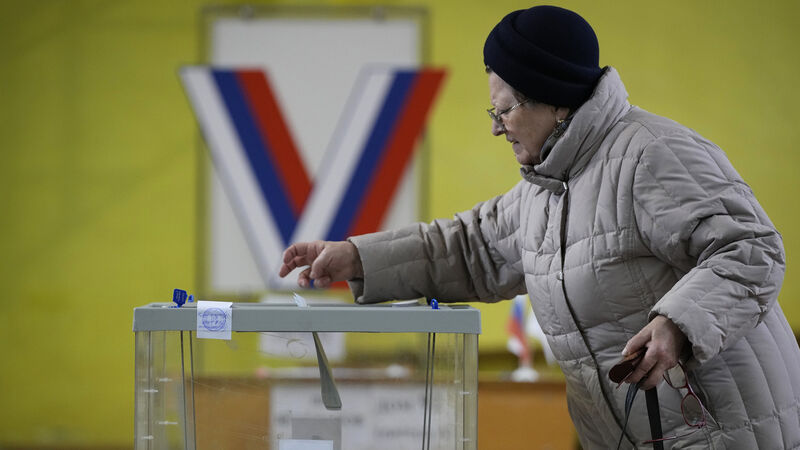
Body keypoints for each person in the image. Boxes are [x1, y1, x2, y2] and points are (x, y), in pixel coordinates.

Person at [279, 5, 800, 448]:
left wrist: (678, 326)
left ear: (553, 100)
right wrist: (356, 257)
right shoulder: (546, 189)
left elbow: (753, 249)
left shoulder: (652, 155)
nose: (495, 127)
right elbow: (470, 248)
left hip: (725, 432)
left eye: (503, 110)